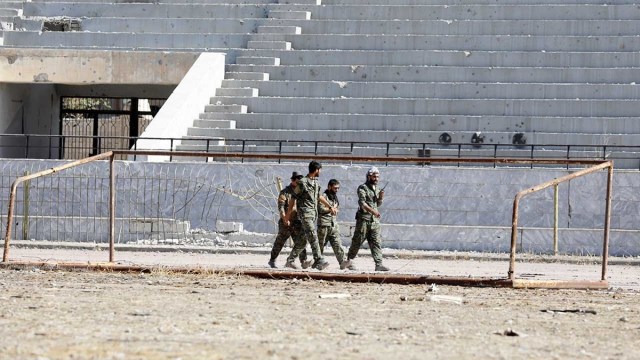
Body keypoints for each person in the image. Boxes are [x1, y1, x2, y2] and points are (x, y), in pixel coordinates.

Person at [284, 161, 337, 270]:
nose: (320, 172)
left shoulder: (315, 183)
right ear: (316, 170)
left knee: (303, 240)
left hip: (312, 215)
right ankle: (319, 260)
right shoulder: (302, 183)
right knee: (313, 235)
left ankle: (290, 260)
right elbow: (293, 198)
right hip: (305, 214)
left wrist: (330, 206)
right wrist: (287, 215)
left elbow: (319, 197)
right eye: (320, 170)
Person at [341, 166, 390, 272]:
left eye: (377, 177)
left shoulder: (376, 188)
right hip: (364, 220)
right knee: (357, 241)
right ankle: (349, 261)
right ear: (368, 177)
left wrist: (381, 197)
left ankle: (379, 264)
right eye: (374, 176)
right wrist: (373, 211)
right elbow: (362, 204)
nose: (376, 178)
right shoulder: (362, 188)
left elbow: (377, 204)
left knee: (376, 242)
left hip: (374, 222)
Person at [268, 172, 311, 269]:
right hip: (286, 222)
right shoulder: (285, 192)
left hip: (297, 222)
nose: (299, 182)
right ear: (292, 180)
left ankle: (303, 261)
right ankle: (272, 260)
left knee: (300, 242)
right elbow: (281, 207)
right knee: (280, 242)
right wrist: (284, 218)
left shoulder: (301, 192)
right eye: (297, 180)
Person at [317, 179, 346, 267]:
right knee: (320, 245)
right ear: (329, 187)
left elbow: (336, 207)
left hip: (333, 225)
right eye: (335, 188)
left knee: (337, 244)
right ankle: (318, 262)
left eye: (338, 188)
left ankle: (343, 262)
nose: (336, 190)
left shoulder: (334, 197)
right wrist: (330, 209)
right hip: (324, 225)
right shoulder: (323, 196)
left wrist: (335, 210)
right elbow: (320, 209)